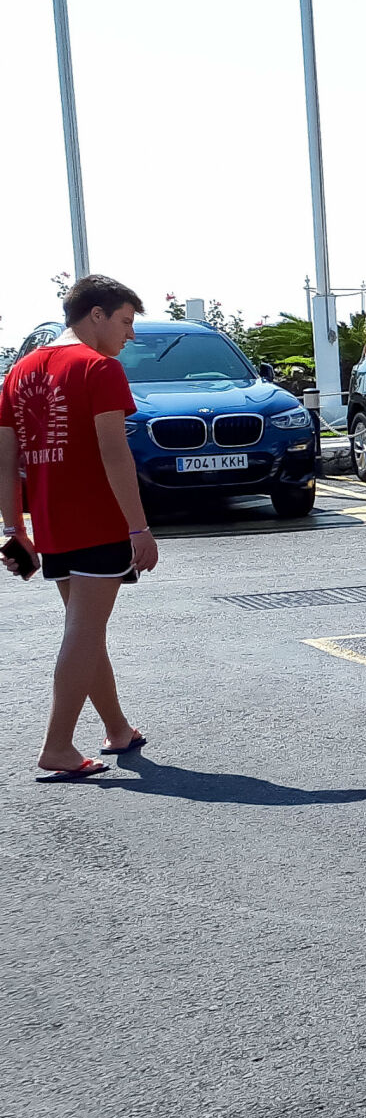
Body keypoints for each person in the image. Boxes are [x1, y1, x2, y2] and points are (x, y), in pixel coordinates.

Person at [2, 275, 157, 782]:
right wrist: (139, 528)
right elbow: (115, 451)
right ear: (97, 315)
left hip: (50, 523)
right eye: (126, 321)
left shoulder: (19, 371)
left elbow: (7, 461)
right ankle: (58, 745)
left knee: (85, 632)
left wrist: (14, 528)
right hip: (96, 520)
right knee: (84, 632)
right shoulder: (99, 367)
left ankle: (117, 729)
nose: (130, 335)